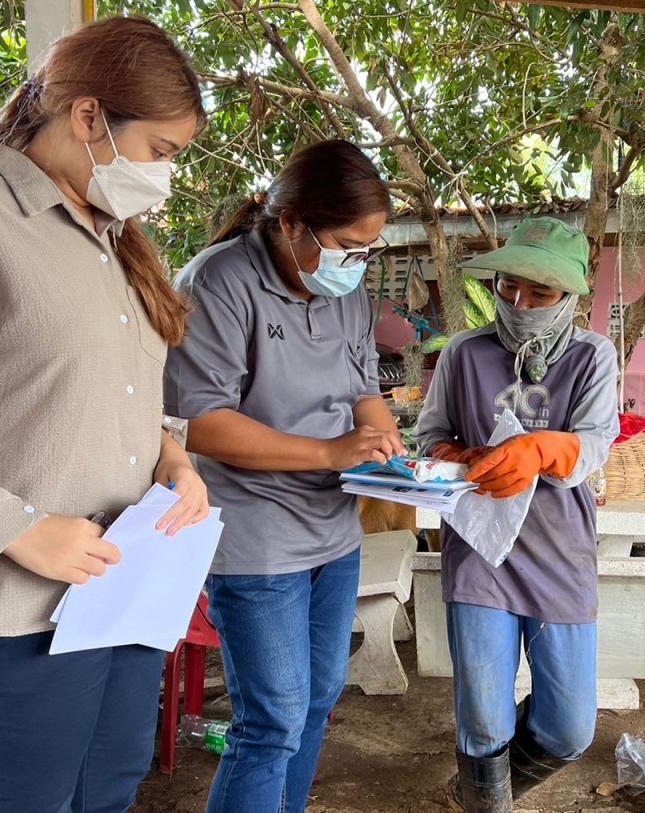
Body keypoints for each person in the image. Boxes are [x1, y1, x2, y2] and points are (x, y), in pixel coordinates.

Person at [0, 16, 210, 811]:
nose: (164, 177)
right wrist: (17, 527)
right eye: (161, 153)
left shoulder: (120, 243)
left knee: (105, 794)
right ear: (88, 116)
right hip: (8, 612)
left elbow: (112, 399)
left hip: (120, 595)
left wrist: (173, 460)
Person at [164, 139, 405, 813]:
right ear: (290, 221)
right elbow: (197, 422)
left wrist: (378, 430)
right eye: (346, 246)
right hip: (255, 535)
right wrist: (331, 452)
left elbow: (363, 385)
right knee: (271, 719)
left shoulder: (346, 292)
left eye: (368, 250)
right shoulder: (218, 282)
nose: (356, 264)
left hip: (334, 528)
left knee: (316, 700)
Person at [414, 217, 619, 812]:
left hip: (560, 552)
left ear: (571, 296)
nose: (520, 302)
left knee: (570, 728)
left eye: (541, 292)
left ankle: (473, 789)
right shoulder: (463, 353)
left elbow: (596, 445)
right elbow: (429, 438)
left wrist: (539, 448)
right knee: (483, 719)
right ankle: (485, 801)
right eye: (509, 287)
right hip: (479, 551)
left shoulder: (592, 357)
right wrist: (456, 455)